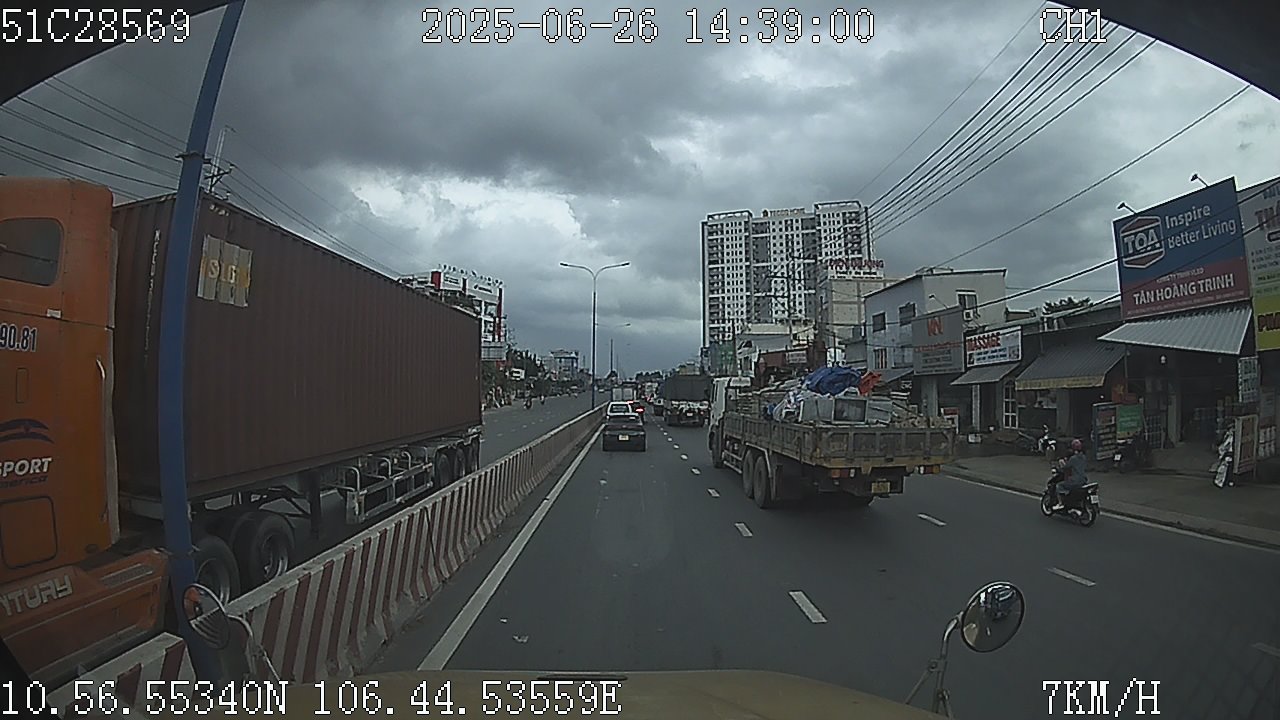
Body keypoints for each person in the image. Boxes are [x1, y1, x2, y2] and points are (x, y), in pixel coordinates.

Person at [1051, 438, 1088, 510]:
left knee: (1059, 486)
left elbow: (1065, 467)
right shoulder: (1084, 457)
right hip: (1083, 480)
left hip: (1074, 481)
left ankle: (1061, 503)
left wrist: (1061, 463)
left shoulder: (1073, 458)